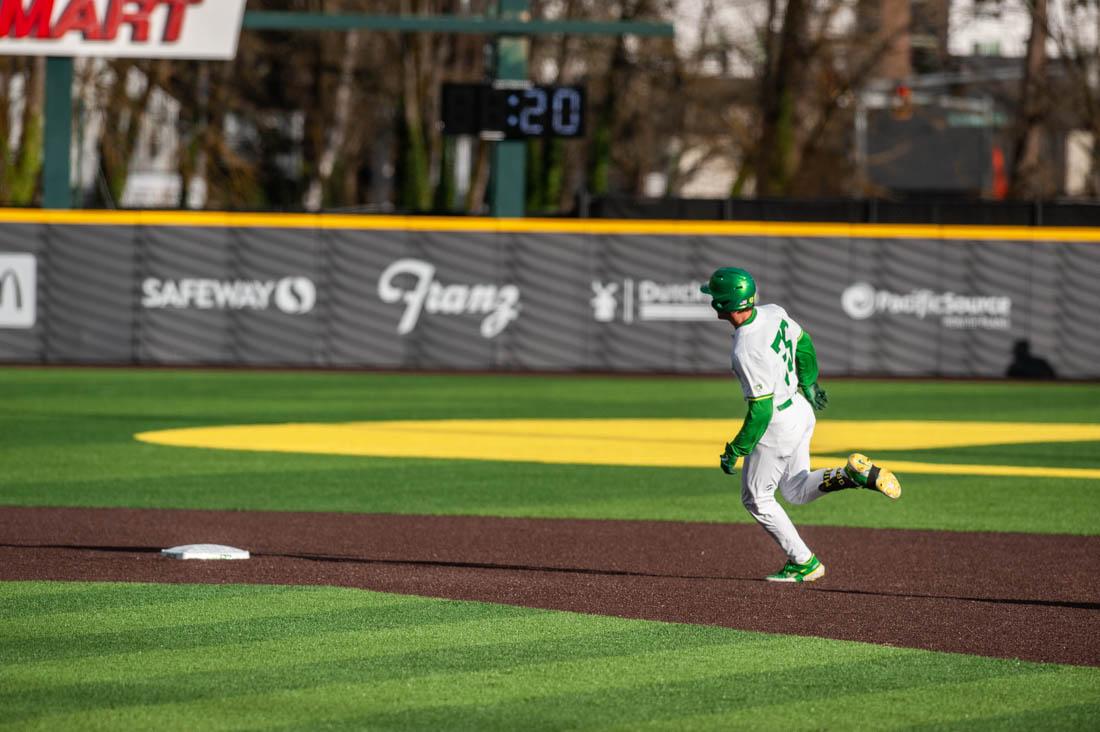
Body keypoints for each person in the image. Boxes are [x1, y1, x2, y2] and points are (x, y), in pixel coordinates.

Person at [701, 267, 901, 583]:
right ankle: (851, 475)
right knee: (795, 490)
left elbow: (761, 412)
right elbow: (804, 344)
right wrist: (809, 383)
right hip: (800, 410)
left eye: (713, 295)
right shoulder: (773, 312)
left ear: (723, 304)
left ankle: (804, 562)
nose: (710, 299)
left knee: (757, 499)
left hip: (777, 424)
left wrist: (735, 449)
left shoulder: (746, 349)